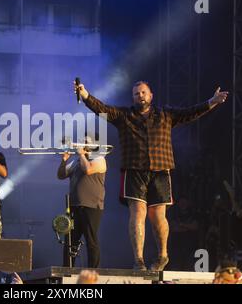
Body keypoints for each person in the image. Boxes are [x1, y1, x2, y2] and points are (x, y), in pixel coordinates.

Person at [76, 80, 228, 271]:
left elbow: (190, 112)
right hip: (134, 170)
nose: (140, 96)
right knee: (138, 212)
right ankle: (138, 260)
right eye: (136, 94)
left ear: (151, 95)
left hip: (160, 170)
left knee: (157, 215)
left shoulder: (165, 114)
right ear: (133, 98)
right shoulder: (124, 115)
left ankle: (163, 255)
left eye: (143, 92)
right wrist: (85, 95)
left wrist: (211, 102)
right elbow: (102, 109)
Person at [57, 135, 107, 268]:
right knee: (70, 240)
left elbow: (88, 169)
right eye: (83, 141)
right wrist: (64, 160)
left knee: (91, 240)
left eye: (86, 142)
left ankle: (93, 271)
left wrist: (81, 155)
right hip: (74, 206)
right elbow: (61, 175)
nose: (82, 144)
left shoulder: (100, 159)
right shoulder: (77, 161)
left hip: (92, 206)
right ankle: (67, 270)